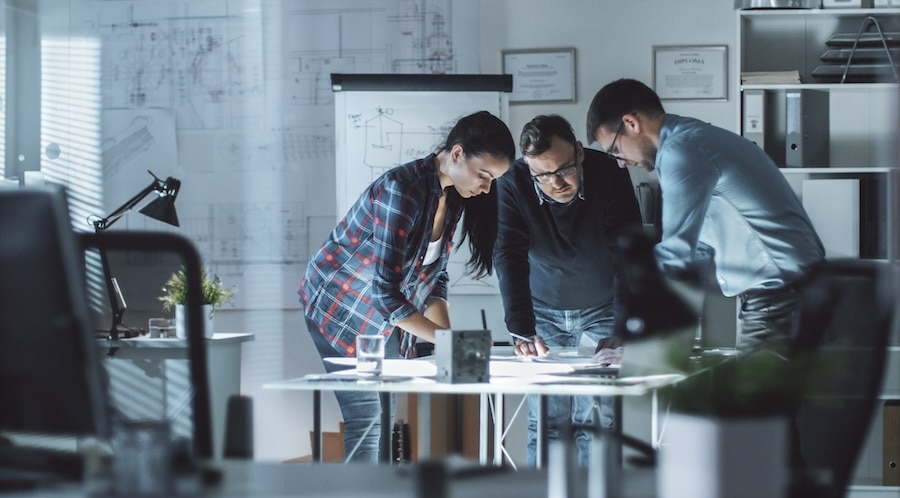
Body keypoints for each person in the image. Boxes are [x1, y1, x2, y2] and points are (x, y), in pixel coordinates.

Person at [299, 110, 515, 463]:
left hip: (385, 317)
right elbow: (384, 294)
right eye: (484, 175)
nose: (487, 188)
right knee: (367, 418)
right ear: (457, 154)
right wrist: (448, 342)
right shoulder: (401, 190)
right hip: (340, 308)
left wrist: (450, 337)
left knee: (386, 418)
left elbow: (435, 278)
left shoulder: (454, 196)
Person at [585, 78, 825, 352]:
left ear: (631, 123)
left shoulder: (681, 152)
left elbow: (675, 252)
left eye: (615, 149)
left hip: (778, 293)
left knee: (757, 395)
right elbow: (698, 248)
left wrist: (635, 334)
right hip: (790, 289)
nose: (620, 162)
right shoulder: (693, 139)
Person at [494, 114, 642, 467]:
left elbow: (629, 252)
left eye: (563, 169)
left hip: (603, 308)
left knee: (598, 421)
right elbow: (508, 254)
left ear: (579, 152)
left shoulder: (610, 172)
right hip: (542, 311)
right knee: (547, 422)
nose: (555, 183)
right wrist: (520, 326)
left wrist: (623, 328)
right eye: (542, 176)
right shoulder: (512, 181)